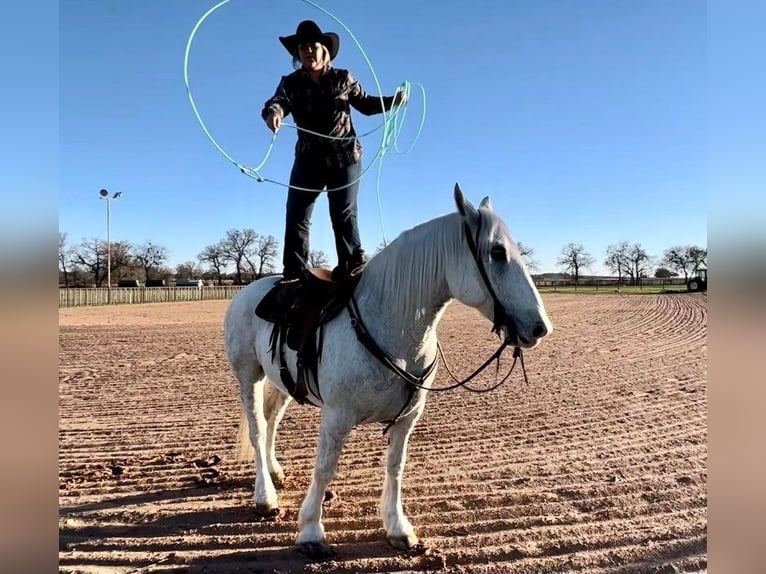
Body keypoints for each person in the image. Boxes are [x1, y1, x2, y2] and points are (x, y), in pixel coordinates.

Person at [262, 20, 406, 283]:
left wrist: (393, 101)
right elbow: (277, 102)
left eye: (313, 46)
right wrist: (274, 113)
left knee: (342, 212)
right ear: (298, 55)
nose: (308, 51)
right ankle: (295, 274)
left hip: (345, 159)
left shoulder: (343, 78)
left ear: (324, 50)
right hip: (308, 160)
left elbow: (367, 104)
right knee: (297, 214)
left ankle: (352, 267)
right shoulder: (290, 83)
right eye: (303, 47)